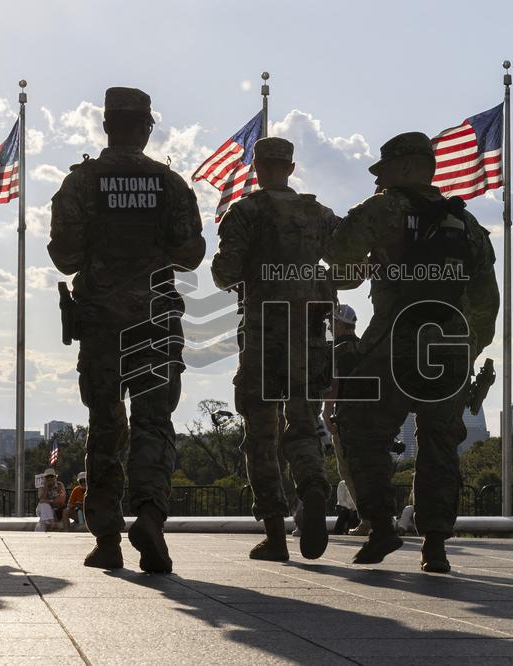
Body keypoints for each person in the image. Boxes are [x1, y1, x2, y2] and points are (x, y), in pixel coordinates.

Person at [325, 132, 499, 572]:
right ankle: (435, 545)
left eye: (383, 171)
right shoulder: (467, 224)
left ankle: (380, 525)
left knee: (358, 425)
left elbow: (340, 269)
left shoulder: (381, 209)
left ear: (404, 167)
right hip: (448, 347)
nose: (379, 181)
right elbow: (486, 300)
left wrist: (367, 266)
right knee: (440, 442)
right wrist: (469, 349)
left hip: (393, 342)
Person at [48, 87, 205, 571]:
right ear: (147, 128)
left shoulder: (81, 184)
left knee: (105, 425)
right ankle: (151, 517)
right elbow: (191, 253)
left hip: (101, 323)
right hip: (156, 320)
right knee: (153, 422)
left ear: (106, 126)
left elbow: (65, 255)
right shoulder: (170, 184)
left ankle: (107, 539)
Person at [211, 136, 338, 562]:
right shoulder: (319, 215)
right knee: (303, 424)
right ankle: (315, 488)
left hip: (264, 336)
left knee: (261, 436)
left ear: (256, 167)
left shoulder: (245, 212)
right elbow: (353, 268)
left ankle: (275, 535)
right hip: (310, 337)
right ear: (291, 166)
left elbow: (224, 273)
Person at [322, 304, 368, 534]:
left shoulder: (338, 351)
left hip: (347, 418)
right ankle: (376, 516)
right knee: (369, 468)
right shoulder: (364, 348)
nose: (330, 326)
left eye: (332, 322)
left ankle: (367, 518)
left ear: (340, 324)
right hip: (370, 417)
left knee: (349, 470)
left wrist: (326, 412)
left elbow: (334, 383)